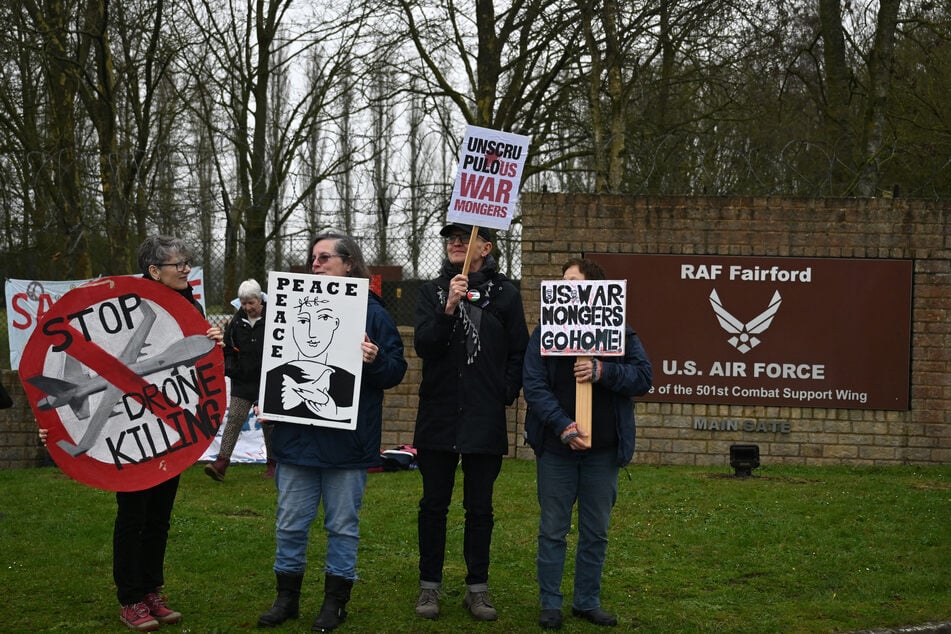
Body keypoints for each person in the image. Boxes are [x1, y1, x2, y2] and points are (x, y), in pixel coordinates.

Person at [40, 235, 224, 632]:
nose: (187, 269)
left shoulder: (187, 305)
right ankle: (130, 599)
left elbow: (201, 366)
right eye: (179, 264)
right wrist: (61, 425)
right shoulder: (122, 301)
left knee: (160, 517)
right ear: (154, 270)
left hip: (166, 432)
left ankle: (152, 590)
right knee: (133, 517)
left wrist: (213, 340)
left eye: (188, 262)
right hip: (125, 433)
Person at [257, 230, 407, 632]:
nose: (316, 263)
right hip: (296, 444)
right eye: (314, 258)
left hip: (347, 445)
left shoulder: (373, 314)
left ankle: (334, 603)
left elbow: (396, 371)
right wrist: (267, 399)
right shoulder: (287, 306)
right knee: (290, 523)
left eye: (324, 257)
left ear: (349, 264)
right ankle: (286, 598)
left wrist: (374, 360)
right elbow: (271, 361)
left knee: (342, 526)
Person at [522, 257, 653, 630]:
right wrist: (563, 425)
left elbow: (644, 377)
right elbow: (533, 385)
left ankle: (586, 602)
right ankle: (550, 604)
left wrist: (602, 370)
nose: (565, 287)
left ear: (595, 290)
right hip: (557, 450)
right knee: (552, 530)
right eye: (562, 281)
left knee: (596, 531)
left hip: (603, 453)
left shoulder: (621, 333)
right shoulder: (544, 332)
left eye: (574, 281)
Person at [412, 222, 529, 621]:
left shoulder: (507, 295)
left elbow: (519, 352)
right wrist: (448, 308)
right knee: (433, 505)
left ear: (487, 247)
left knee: (480, 508)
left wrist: (502, 394)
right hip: (438, 417)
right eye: (451, 238)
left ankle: (477, 588)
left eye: (466, 237)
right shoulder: (431, 292)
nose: (456, 243)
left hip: (484, 418)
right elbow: (425, 344)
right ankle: (429, 587)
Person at [205, 278, 273, 480]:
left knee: (268, 424)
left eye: (251, 303)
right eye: (244, 303)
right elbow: (227, 347)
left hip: (265, 380)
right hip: (242, 381)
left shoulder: (273, 318)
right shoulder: (235, 322)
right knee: (234, 419)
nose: (247, 307)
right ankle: (221, 462)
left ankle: (273, 463)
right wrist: (231, 367)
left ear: (260, 300)